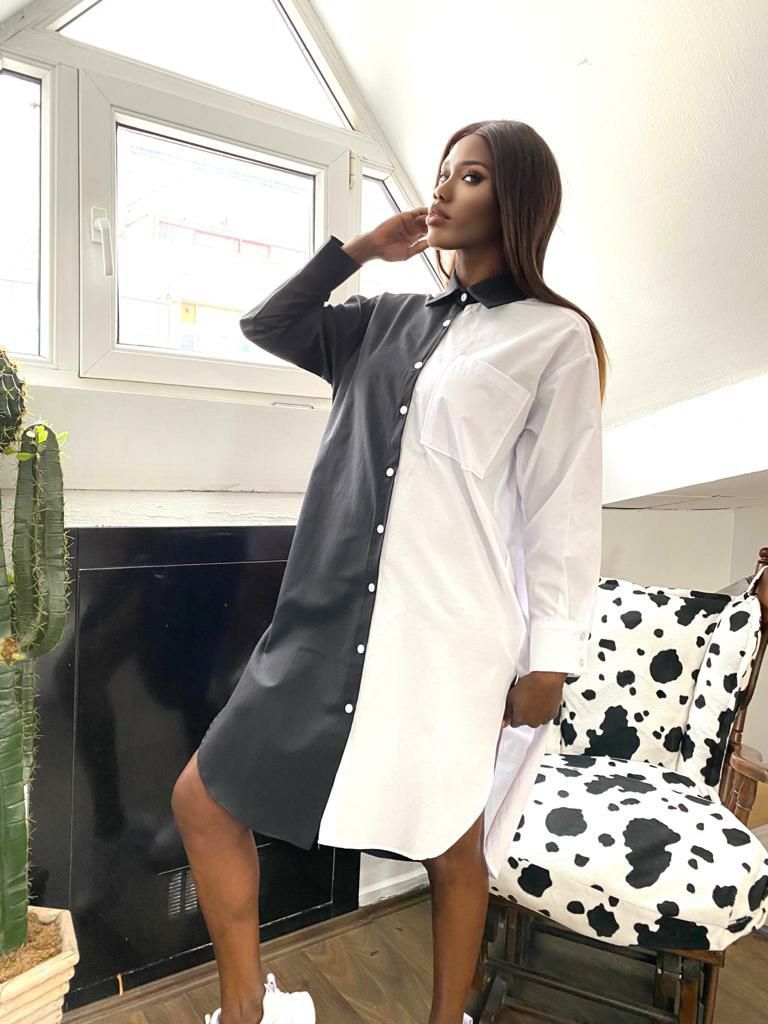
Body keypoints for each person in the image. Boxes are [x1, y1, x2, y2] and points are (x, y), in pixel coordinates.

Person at [171, 119, 608, 1024]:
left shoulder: (555, 337)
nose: (443, 189)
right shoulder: (384, 319)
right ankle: (244, 1009)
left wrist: (550, 659)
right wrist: (360, 251)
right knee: (204, 800)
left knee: (450, 841)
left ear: (518, 199)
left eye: (470, 176)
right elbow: (269, 324)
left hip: (448, 633)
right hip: (323, 617)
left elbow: (561, 507)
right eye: (442, 172)